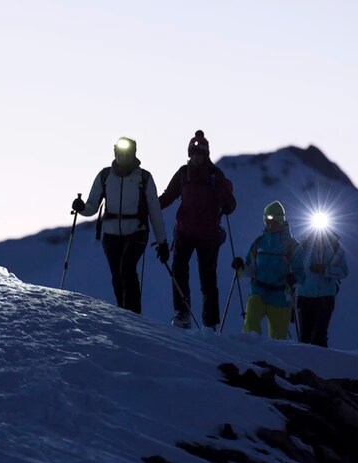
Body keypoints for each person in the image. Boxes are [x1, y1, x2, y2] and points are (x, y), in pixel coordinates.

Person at [72, 137, 169, 314]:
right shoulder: (105, 176)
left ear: (133, 154)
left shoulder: (144, 178)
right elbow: (92, 206)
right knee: (117, 275)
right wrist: (82, 208)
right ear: (115, 153)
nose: (123, 157)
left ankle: (132, 316)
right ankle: (123, 314)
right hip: (110, 235)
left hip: (137, 232)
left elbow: (154, 211)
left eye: (127, 153)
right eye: (120, 153)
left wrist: (162, 242)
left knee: (127, 269)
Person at [158, 130, 236, 329]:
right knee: (181, 272)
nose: (196, 157)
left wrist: (227, 204)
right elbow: (168, 196)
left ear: (206, 154)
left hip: (206, 236)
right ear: (190, 154)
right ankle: (185, 313)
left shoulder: (213, 175)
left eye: (200, 154)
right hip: (188, 233)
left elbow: (230, 202)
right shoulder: (187, 173)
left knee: (206, 278)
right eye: (194, 154)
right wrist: (150, 206)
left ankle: (207, 321)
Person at [232, 201, 306, 340]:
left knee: (278, 339)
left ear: (280, 221)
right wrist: (241, 266)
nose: (269, 225)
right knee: (250, 329)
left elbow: (301, 274)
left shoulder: (292, 246)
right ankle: (250, 358)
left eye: (273, 221)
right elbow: (251, 267)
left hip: (280, 297)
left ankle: (272, 361)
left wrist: (294, 278)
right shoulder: (259, 242)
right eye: (267, 221)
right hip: (258, 293)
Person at [294, 222, 349, 347]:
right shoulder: (303, 245)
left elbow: (344, 271)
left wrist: (325, 269)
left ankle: (318, 364)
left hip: (323, 297)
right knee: (305, 337)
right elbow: (295, 266)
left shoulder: (335, 247)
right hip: (305, 296)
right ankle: (310, 364)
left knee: (319, 336)